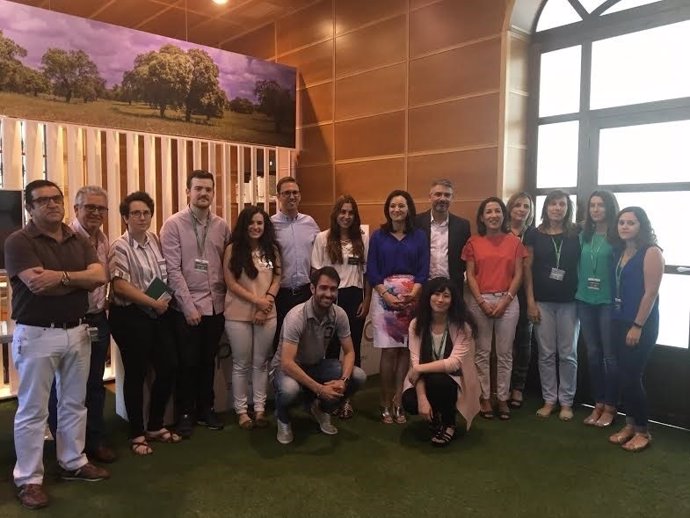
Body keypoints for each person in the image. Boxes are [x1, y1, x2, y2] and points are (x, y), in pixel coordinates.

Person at [5, 180, 109, 510]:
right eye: (43, 200)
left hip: (77, 331)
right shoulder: (18, 241)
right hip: (37, 334)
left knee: (74, 403)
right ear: (29, 207)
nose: (52, 204)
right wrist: (77, 279)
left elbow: (98, 276)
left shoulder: (77, 238)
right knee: (33, 410)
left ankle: (73, 461)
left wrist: (61, 278)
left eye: (57, 199)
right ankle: (29, 479)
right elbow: (36, 283)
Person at [47, 185, 116, 464]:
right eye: (90, 207)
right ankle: (63, 444)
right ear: (76, 209)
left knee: (95, 385)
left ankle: (93, 439)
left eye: (101, 208)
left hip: (97, 319)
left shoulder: (103, 239)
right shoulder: (64, 238)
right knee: (63, 388)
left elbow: (104, 278)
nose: (96, 213)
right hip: (68, 322)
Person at [108, 191, 181, 456]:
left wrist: (160, 303)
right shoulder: (119, 246)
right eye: (136, 213)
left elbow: (163, 276)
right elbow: (120, 286)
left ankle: (155, 425)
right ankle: (137, 433)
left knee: (169, 366)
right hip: (129, 317)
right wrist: (153, 303)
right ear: (126, 218)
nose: (142, 217)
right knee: (136, 374)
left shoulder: (155, 240)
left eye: (146, 213)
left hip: (157, 313)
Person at [160, 170, 230, 437]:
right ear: (187, 191)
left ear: (213, 193)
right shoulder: (174, 225)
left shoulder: (222, 226)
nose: (203, 194)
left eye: (208, 189)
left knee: (207, 361)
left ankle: (206, 409)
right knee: (187, 363)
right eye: (198, 188)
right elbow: (172, 271)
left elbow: (226, 265)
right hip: (187, 307)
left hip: (216, 305)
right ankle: (185, 413)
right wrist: (188, 306)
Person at [269, 267, 367, 444]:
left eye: (333, 289)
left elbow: (350, 352)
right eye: (323, 288)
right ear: (312, 289)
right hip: (287, 370)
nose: (328, 294)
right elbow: (287, 363)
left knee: (358, 376)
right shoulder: (296, 316)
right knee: (290, 390)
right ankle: (283, 418)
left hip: (315, 366)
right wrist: (320, 389)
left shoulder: (339, 314)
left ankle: (320, 409)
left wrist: (343, 381)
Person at [367, 190, 429, 424]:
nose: (397, 210)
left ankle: (399, 402)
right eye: (393, 206)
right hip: (385, 301)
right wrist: (386, 295)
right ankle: (384, 402)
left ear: (409, 209)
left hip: (412, 300)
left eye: (402, 206)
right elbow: (372, 270)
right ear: (387, 209)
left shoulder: (419, 236)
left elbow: (424, 268)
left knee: (405, 351)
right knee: (389, 351)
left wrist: (413, 294)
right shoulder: (378, 236)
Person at [462, 197, 526, 420]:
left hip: (507, 301)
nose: (493, 215)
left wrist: (506, 299)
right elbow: (470, 274)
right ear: (481, 217)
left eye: (497, 211)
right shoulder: (473, 242)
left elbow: (519, 274)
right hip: (480, 301)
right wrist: (480, 301)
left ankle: (502, 397)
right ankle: (485, 397)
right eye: (488, 212)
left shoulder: (515, 242)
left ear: (503, 215)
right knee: (481, 352)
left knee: (505, 353)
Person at [607, 207, 663, 452]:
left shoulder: (651, 252)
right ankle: (629, 424)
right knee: (622, 375)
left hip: (640, 324)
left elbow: (651, 293)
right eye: (621, 222)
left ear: (642, 226)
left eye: (631, 222)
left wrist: (637, 325)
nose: (625, 226)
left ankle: (642, 430)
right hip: (619, 320)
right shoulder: (621, 251)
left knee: (632, 376)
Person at [311, 194, 371, 419]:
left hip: (354, 297)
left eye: (350, 212)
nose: (346, 216)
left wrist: (366, 301)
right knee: (329, 349)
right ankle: (327, 397)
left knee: (352, 348)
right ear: (335, 214)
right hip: (329, 298)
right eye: (342, 212)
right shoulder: (322, 238)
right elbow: (316, 272)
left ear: (355, 216)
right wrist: (322, 301)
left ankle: (346, 399)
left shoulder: (363, 238)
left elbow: (367, 275)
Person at [402, 277, 480, 446]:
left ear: (453, 300)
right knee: (409, 400)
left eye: (446, 296)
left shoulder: (462, 326)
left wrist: (419, 369)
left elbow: (454, 363)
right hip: (425, 378)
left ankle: (449, 422)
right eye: (436, 294)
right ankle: (435, 416)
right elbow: (415, 364)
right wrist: (422, 398)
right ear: (428, 296)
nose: (440, 300)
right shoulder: (417, 324)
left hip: (454, 379)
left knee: (441, 382)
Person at [524, 190, 581, 420]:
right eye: (553, 204)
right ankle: (549, 399)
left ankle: (566, 401)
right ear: (546, 207)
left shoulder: (576, 233)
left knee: (568, 354)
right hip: (542, 301)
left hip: (570, 302)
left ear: (568, 208)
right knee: (546, 353)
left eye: (562, 204)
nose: (557, 208)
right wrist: (530, 301)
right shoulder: (533, 233)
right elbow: (527, 268)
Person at [223, 206, 281, 429]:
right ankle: (241, 412)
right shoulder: (233, 249)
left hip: (267, 313)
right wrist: (257, 302)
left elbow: (277, 277)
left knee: (261, 363)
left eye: (260, 223)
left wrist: (266, 302)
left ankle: (259, 409)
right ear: (244, 225)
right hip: (238, 314)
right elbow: (231, 283)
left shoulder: (271, 248)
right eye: (252, 223)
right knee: (241, 364)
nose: (256, 227)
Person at [576, 191, 620, 427]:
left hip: (607, 303)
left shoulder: (617, 237)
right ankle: (598, 403)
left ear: (609, 208)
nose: (595, 210)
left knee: (610, 357)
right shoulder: (585, 234)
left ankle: (611, 406)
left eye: (600, 205)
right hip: (584, 300)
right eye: (592, 205)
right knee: (592, 355)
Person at [271, 176, 319, 350]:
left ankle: (303, 377)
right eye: (286, 193)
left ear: (299, 196)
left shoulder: (310, 223)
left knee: (305, 342)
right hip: (280, 295)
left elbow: (319, 255)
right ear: (278, 196)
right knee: (280, 343)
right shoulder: (270, 225)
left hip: (306, 293)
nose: (291, 196)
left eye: (295, 193)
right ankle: (280, 377)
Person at [415, 179, 471, 294]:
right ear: (430, 197)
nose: (442, 198)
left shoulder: (463, 226)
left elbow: (465, 259)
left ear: (452, 198)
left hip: (453, 287)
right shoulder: (416, 222)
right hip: (423, 286)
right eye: (438, 194)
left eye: (447, 195)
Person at [506, 192, 535, 408]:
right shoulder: (500, 232)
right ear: (510, 208)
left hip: (527, 294)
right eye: (517, 205)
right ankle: (502, 386)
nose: (521, 209)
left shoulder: (534, 235)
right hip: (502, 292)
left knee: (523, 342)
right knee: (504, 344)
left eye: (526, 206)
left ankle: (517, 388)